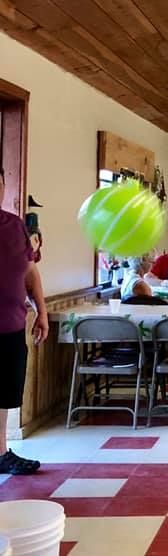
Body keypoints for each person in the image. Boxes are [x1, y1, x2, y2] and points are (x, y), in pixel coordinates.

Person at [0, 168, 48, 475]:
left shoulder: (13, 224)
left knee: (3, 396)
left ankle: (1, 452)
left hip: (11, 326)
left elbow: (29, 271)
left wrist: (41, 310)